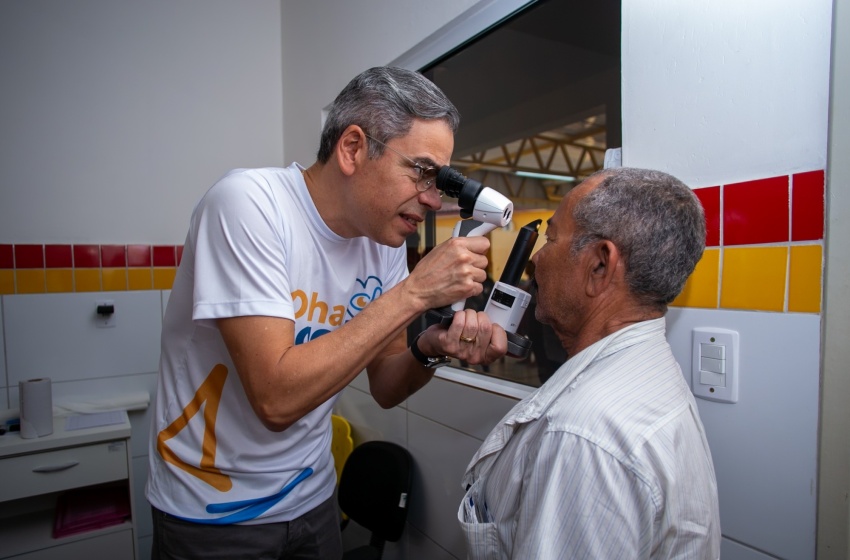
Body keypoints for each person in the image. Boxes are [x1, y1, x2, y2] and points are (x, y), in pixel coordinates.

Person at [146, 66, 508, 560]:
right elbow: (275, 401)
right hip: (211, 509)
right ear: (353, 148)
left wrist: (429, 349)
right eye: (422, 171)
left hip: (313, 498)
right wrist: (415, 294)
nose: (431, 198)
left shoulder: (382, 240)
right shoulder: (249, 206)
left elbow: (385, 385)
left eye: (440, 181)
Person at [458, 167, 721, 559]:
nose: (537, 261)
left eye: (550, 239)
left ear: (600, 265)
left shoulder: (584, 436)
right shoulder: (649, 374)